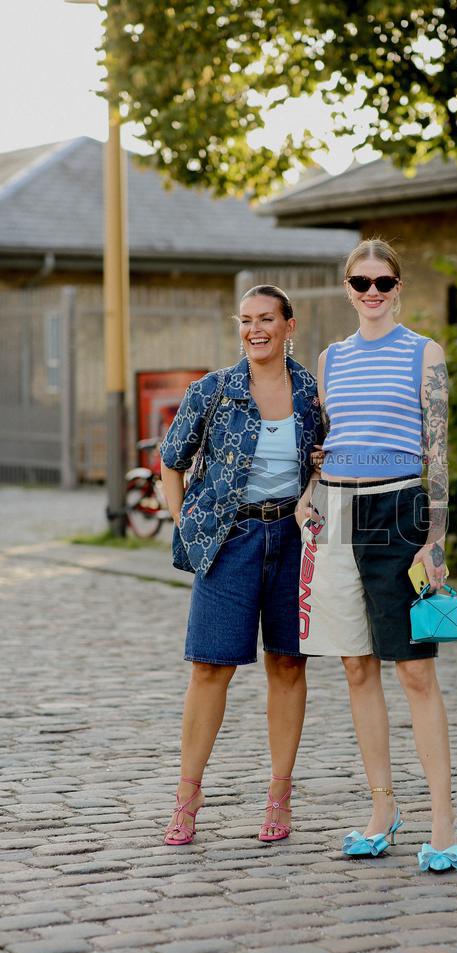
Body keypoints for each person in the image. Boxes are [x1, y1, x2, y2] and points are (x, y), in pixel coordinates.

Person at [296, 239, 457, 873]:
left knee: (415, 671)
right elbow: (328, 440)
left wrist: (437, 534)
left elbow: (438, 450)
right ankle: (383, 810)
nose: (372, 292)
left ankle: (442, 820)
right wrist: (310, 493)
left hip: (401, 513)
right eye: (360, 282)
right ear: (346, 287)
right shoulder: (330, 359)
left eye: (383, 282)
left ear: (398, 286)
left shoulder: (426, 353)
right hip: (336, 515)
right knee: (356, 667)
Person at [160, 285, 321, 846]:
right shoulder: (214, 390)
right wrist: (186, 521)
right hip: (229, 540)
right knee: (209, 667)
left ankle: (279, 795)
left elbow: (328, 459)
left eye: (266, 319)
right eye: (246, 320)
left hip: (294, 539)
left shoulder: (311, 392)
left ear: (288, 325)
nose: (256, 329)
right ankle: (187, 797)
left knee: (288, 665)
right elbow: (170, 459)